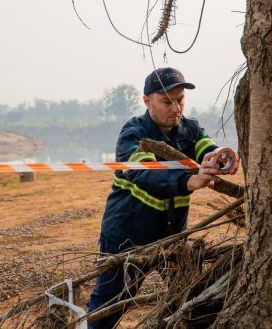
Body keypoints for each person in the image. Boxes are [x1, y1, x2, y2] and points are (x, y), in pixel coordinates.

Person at [87, 67, 239, 328]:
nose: (176, 108)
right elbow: (144, 173)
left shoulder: (189, 129)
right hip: (127, 238)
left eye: (180, 100)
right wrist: (189, 181)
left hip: (172, 239)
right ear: (147, 101)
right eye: (167, 101)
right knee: (111, 305)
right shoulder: (133, 134)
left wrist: (220, 156)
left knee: (187, 297)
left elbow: (205, 146)